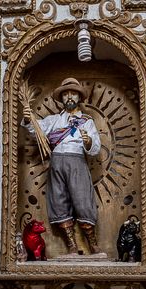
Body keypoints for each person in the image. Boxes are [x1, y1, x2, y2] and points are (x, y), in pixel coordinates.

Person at [22, 77, 105, 256]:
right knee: (59, 200)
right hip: (57, 162)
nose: (69, 97)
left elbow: (96, 147)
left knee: (83, 201)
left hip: (77, 162)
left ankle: (93, 245)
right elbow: (37, 130)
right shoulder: (53, 120)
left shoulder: (87, 121)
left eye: (73, 94)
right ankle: (71, 246)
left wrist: (88, 141)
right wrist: (29, 119)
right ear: (61, 98)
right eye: (66, 94)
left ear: (79, 97)